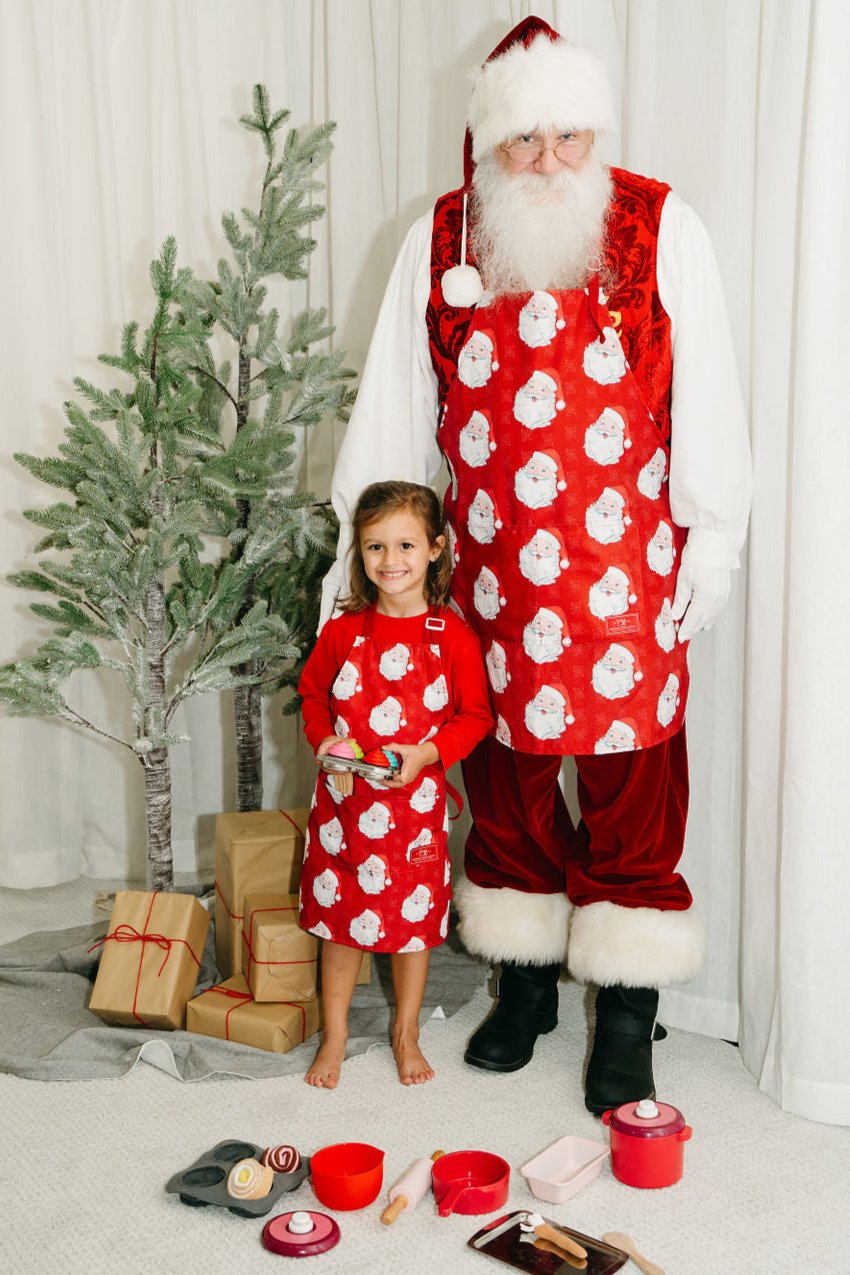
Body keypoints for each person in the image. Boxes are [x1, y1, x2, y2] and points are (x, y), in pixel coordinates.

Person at [319, 18, 753, 1112]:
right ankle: (522, 980)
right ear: (487, 145)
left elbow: (706, 393)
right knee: (502, 786)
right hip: (491, 585)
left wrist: (713, 540)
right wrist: (364, 562)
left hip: (626, 584)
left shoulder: (660, 226)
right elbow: (395, 412)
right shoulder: (443, 237)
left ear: (594, 131)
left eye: (569, 135)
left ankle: (626, 1005)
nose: (550, 160)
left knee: (631, 793)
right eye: (525, 142)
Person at [299, 480, 492, 1088]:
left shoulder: (452, 637)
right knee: (341, 925)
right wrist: (325, 741)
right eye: (375, 547)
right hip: (344, 809)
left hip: (415, 810)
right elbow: (312, 696)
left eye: (405, 545)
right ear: (360, 552)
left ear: (435, 548)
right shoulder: (344, 632)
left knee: (412, 930)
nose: (390, 561)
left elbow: (476, 716)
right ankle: (333, 1038)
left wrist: (430, 752)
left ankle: (405, 1033)